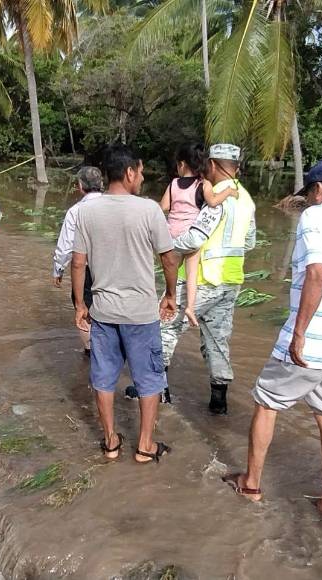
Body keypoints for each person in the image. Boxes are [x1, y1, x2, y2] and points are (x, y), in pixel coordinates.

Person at [222, 160, 322, 528]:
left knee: (266, 404)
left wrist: (299, 333)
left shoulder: (315, 218)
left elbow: (317, 271)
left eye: (309, 193)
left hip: (311, 343)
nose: (308, 200)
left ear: (319, 190)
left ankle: (251, 484)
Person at [126, 143, 256, 411]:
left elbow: (196, 236)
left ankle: (156, 389)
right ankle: (218, 401)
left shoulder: (215, 197)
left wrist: (167, 250)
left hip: (202, 278)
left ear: (212, 165)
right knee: (217, 338)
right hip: (231, 281)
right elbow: (250, 242)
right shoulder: (246, 198)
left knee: (161, 328)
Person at [72, 144, 179, 463]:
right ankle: (145, 445)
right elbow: (169, 259)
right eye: (141, 171)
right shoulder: (149, 211)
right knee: (149, 379)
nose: (143, 177)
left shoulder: (86, 211)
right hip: (141, 314)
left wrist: (80, 304)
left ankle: (110, 442)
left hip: (103, 312)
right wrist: (171, 295)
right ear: (130, 172)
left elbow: (78, 263)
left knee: (102, 377)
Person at [160, 144, 240, 328]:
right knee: (191, 272)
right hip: (190, 235)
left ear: (181, 165)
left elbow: (162, 208)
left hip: (172, 235)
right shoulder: (203, 184)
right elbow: (212, 202)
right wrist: (228, 191)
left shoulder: (173, 184)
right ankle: (189, 307)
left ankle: (168, 295)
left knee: (171, 269)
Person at [52, 166, 104, 354]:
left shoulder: (76, 211)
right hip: (114, 268)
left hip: (87, 270)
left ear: (80, 186)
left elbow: (66, 244)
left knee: (83, 308)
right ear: (102, 184)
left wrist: (58, 269)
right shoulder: (114, 206)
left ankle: (91, 351)